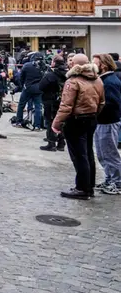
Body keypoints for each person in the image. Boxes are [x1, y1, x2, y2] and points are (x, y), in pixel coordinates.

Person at [52, 54, 105, 200]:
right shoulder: (97, 79)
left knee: (79, 155)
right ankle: (89, 186)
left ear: (75, 65)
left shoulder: (73, 81)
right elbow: (101, 103)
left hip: (76, 121)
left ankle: (82, 188)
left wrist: (56, 123)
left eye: (71, 62)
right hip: (91, 118)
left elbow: (66, 106)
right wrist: (94, 114)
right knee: (88, 153)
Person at [93, 54, 121, 195]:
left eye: (95, 63)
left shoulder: (109, 81)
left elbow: (113, 103)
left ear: (103, 65)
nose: (93, 66)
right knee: (102, 153)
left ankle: (117, 183)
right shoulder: (104, 79)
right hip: (103, 121)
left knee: (109, 153)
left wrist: (96, 108)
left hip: (108, 122)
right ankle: (110, 179)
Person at [39, 55, 68, 152]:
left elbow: (41, 86)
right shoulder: (67, 74)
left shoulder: (51, 74)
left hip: (50, 100)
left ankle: (51, 143)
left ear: (54, 63)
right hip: (63, 100)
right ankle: (61, 143)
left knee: (50, 121)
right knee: (61, 122)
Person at [15, 53, 44, 130]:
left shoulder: (27, 65)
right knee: (38, 107)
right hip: (39, 89)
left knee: (21, 105)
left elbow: (21, 77)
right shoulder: (43, 66)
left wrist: (22, 85)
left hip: (27, 88)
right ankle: (37, 125)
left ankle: (19, 122)